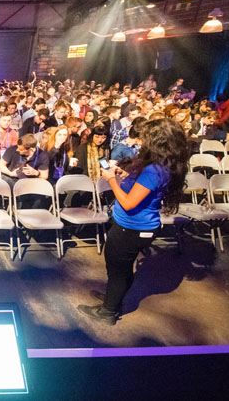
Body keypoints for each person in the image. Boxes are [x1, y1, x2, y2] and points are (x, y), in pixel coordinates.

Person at [78, 118, 188, 325]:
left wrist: (111, 179)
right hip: (137, 227)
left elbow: (129, 203)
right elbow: (144, 190)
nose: (141, 141)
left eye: (146, 138)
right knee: (122, 268)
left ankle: (108, 311)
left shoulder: (154, 170)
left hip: (131, 228)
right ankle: (113, 298)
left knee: (118, 270)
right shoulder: (162, 165)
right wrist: (124, 174)